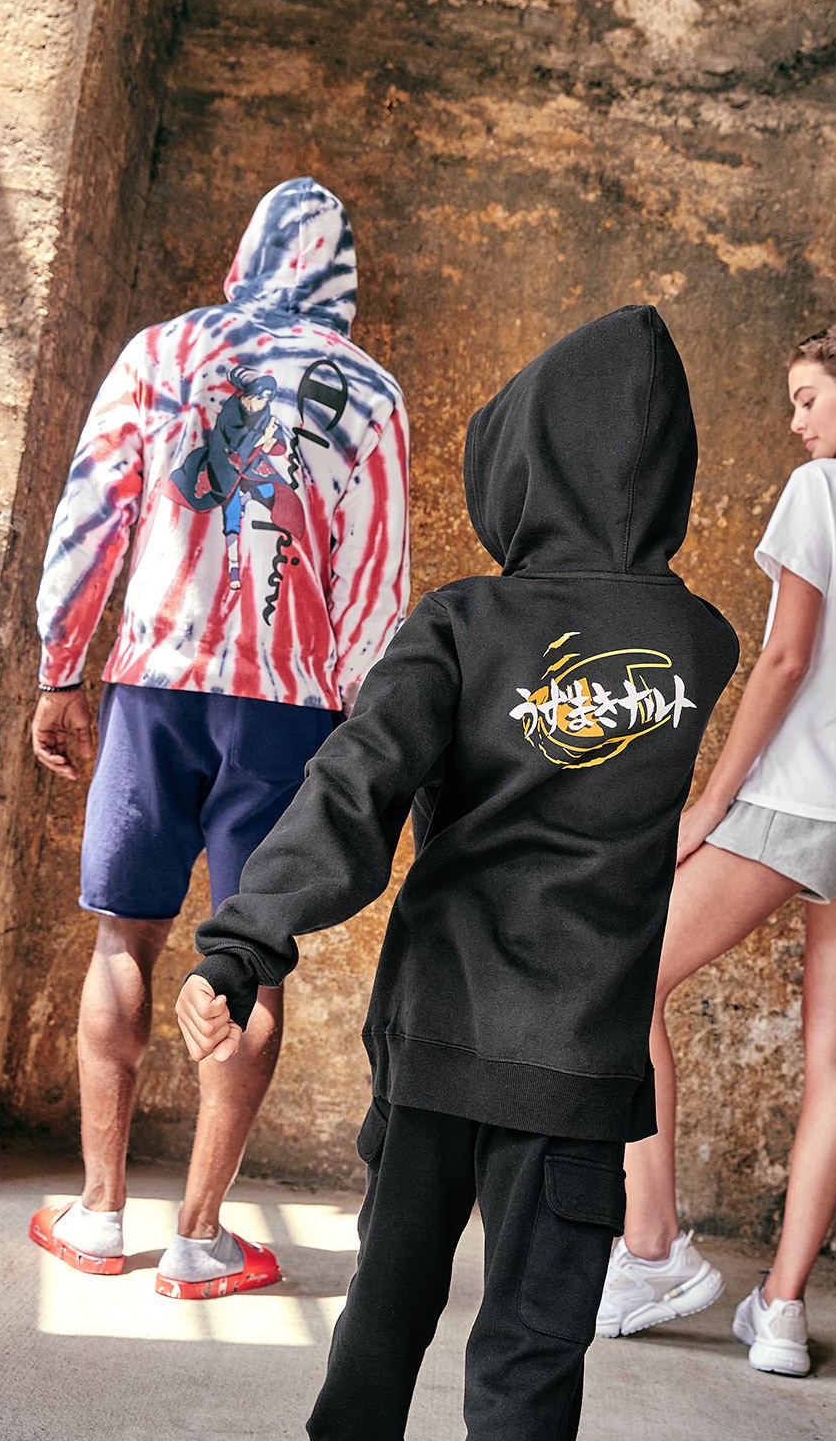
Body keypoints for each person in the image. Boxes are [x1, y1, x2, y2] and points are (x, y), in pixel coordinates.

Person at [176, 304, 740, 1439]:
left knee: (383, 1317)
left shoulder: (463, 623)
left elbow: (355, 785)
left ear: (531, 458)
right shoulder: (701, 641)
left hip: (440, 1030)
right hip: (581, 1062)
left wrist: (244, 942)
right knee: (533, 1355)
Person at [28, 178, 410, 1299]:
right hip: (291, 708)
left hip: (155, 683)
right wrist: (351, 721)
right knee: (253, 957)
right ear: (342, 277)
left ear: (247, 255)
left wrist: (61, 669)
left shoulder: (165, 352)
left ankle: (100, 1214)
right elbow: (376, 581)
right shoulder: (372, 392)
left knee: (123, 936)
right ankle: (199, 1239)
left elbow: (91, 513)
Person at [595, 321, 836, 1376]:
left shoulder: (820, 491)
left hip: (800, 796)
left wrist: (707, 806)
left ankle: (650, 1249)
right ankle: (780, 1310)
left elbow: (784, 660)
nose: (798, 422)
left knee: (623, 977)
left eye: (809, 398)